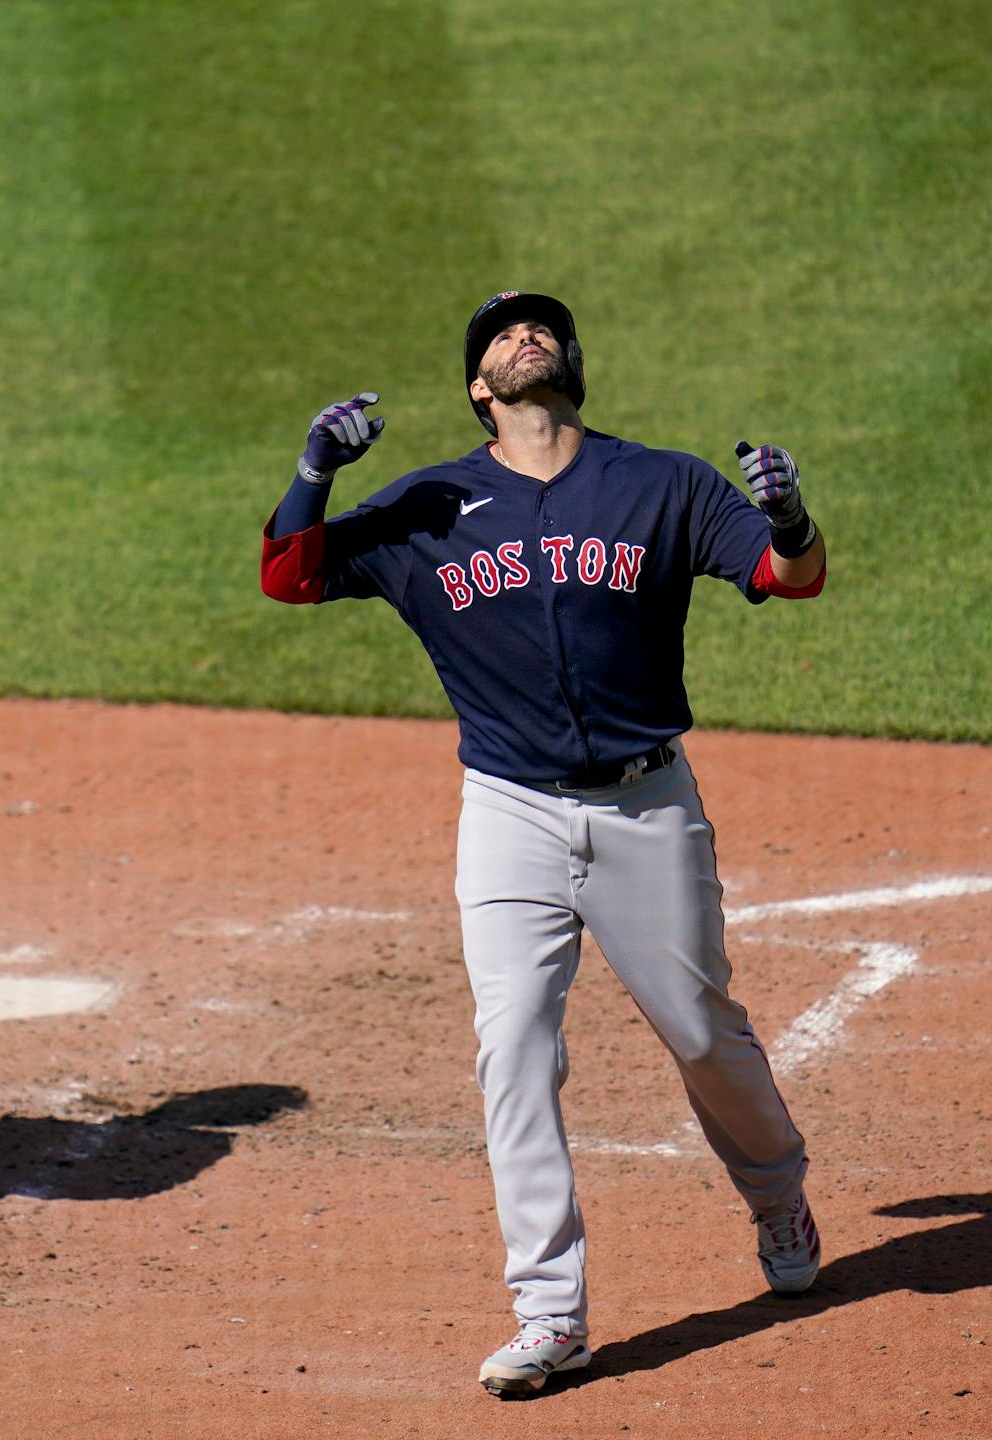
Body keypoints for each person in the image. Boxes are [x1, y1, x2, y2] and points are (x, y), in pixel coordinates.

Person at [261, 292, 828, 1395]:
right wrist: (314, 468)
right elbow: (289, 575)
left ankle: (778, 1197)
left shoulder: (661, 483)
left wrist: (795, 517)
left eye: (540, 329)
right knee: (512, 1045)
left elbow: (787, 576)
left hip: (646, 804)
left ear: (571, 364)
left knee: (703, 1033)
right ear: (480, 388)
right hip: (508, 812)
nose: (523, 337)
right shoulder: (428, 504)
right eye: (499, 336)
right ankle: (550, 1310)